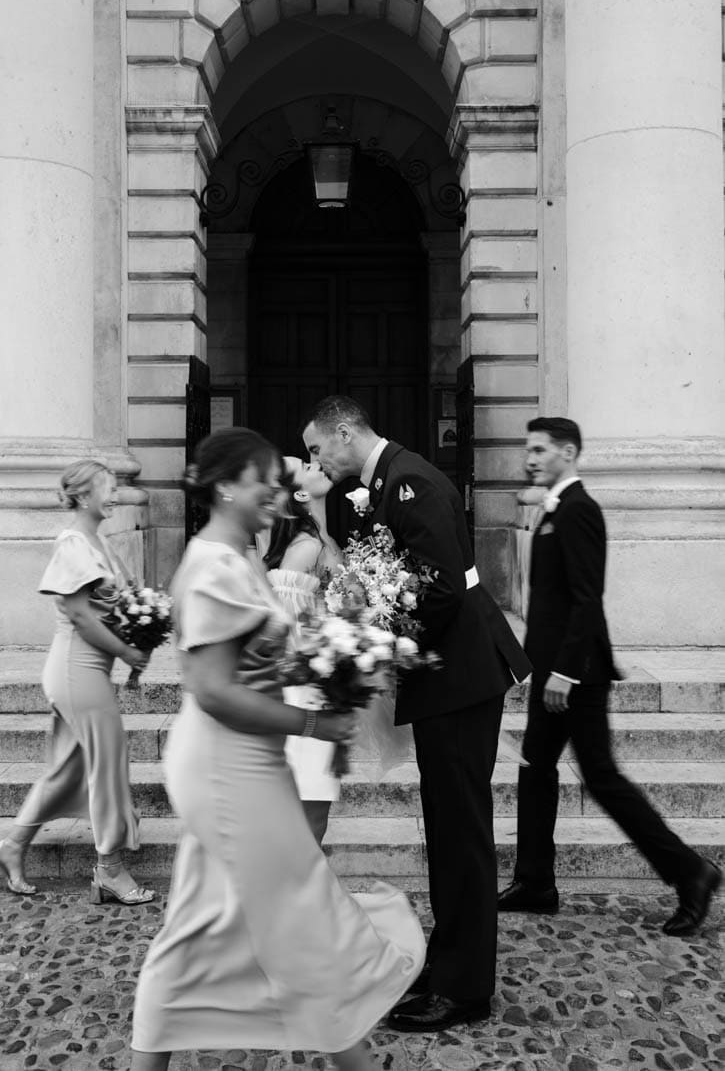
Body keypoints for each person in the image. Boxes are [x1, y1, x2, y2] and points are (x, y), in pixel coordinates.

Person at [130, 428, 424, 1071]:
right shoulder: (210, 566)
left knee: (208, 919)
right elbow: (212, 691)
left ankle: (159, 1050)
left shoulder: (238, 559)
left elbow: (265, 661)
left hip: (250, 758)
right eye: (264, 477)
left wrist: (340, 675)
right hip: (225, 764)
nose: (277, 487)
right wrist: (312, 727)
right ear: (227, 486)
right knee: (299, 905)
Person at [302, 396, 532, 1034]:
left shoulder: (408, 481)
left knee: (461, 834)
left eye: (319, 446)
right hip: (444, 682)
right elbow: (397, 572)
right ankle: (453, 958)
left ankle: (465, 990)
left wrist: (372, 623)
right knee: (448, 830)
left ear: (346, 431)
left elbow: (440, 588)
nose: (315, 459)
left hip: (460, 680)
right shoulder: (380, 483)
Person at [497, 417, 722, 935]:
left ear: (568, 452)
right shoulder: (552, 507)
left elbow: (586, 600)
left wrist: (567, 674)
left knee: (601, 777)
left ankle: (692, 872)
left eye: (539, 450)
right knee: (535, 769)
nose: (530, 458)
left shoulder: (579, 511)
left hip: (575, 675)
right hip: (551, 670)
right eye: (527, 449)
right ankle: (535, 882)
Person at [0, 460, 152, 904]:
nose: (117, 493)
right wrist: (126, 652)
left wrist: (138, 641)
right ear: (84, 496)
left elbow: (118, 608)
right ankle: (110, 870)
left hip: (89, 669)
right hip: (75, 668)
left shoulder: (97, 542)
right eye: (109, 486)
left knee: (69, 770)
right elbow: (81, 614)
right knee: (109, 760)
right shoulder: (72, 543)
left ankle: (13, 846)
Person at [263, 455, 342, 844]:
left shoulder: (318, 539)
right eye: (305, 465)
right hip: (302, 691)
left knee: (314, 806)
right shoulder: (303, 549)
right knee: (310, 808)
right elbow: (288, 631)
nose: (316, 463)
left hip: (314, 687)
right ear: (298, 491)